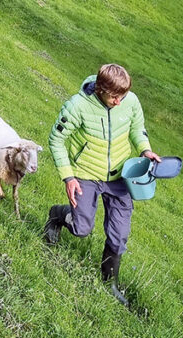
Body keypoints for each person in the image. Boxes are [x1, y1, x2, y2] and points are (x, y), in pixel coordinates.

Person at [43, 64, 161, 306]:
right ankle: (57, 216)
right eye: (114, 97)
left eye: (123, 96)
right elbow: (56, 139)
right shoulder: (78, 106)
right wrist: (68, 176)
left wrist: (145, 150)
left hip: (119, 177)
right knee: (81, 228)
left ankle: (110, 284)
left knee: (119, 236)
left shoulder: (130, 101)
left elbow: (138, 129)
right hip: (86, 174)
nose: (119, 102)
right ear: (100, 89)